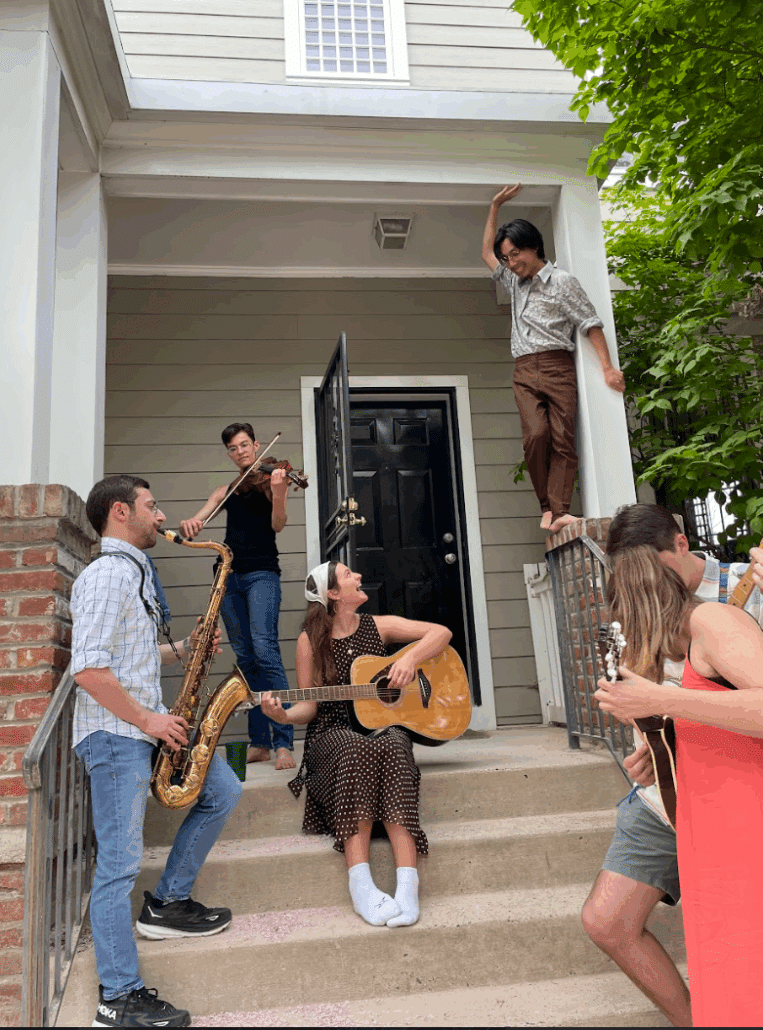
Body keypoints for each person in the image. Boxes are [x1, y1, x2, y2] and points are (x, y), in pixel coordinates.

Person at [582, 503, 763, 1028]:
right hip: (679, 792)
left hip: (737, 795)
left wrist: (672, 707)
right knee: (609, 919)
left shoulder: (726, 601)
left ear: (678, 548)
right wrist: (656, 747)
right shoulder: (637, 628)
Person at [71, 475, 242, 1029]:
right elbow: (90, 672)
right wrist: (147, 719)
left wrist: (187, 648)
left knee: (221, 789)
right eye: (152, 505)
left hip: (144, 727)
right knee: (118, 866)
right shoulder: (104, 575)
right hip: (117, 734)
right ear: (121, 512)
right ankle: (117, 997)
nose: (162, 515)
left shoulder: (134, 575)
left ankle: (168, 903)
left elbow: (132, 659)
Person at [261, 561, 452, 928]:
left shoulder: (378, 626)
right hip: (330, 737)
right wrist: (283, 717)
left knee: (397, 741)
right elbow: (308, 704)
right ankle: (361, 883)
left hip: (377, 731)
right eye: (349, 575)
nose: (359, 576)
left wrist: (410, 658)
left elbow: (440, 633)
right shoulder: (310, 640)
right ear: (333, 594)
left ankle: (407, 883)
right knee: (355, 748)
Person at [481, 183, 625, 534]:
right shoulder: (514, 283)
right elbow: (486, 252)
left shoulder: (563, 283)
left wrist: (607, 368)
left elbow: (590, 324)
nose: (511, 263)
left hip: (558, 365)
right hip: (524, 370)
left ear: (533, 247)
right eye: (507, 258)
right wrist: (495, 205)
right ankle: (546, 506)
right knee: (535, 436)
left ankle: (558, 511)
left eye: (516, 254)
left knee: (563, 439)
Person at [181, 422, 295, 770]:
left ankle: (283, 742)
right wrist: (193, 523)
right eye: (233, 448)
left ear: (256, 444)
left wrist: (279, 493)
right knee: (245, 657)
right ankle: (259, 742)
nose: (241, 452)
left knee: (265, 650)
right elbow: (199, 518)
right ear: (229, 453)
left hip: (261, 573)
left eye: (245, 445)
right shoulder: (227, 489)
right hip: (227, 576)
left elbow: (278, 525)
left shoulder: (271, 479)